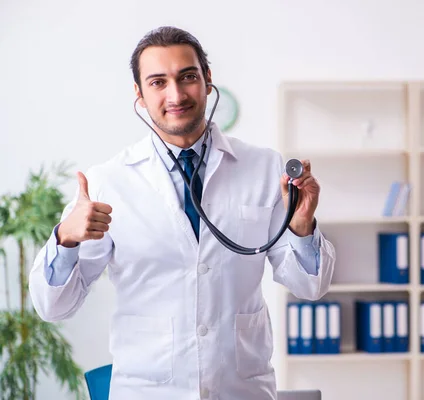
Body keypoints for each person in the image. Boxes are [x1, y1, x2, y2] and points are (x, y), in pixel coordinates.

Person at [28, 26, 336, 400]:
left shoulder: (263, 168)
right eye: (158, 82)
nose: (175, 95)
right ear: (140, 95)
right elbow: (53, 307)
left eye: (187, 77)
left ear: (207, 80)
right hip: (149, 391)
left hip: (241, 389)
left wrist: (302, 228)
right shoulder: (107, 182)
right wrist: (66, 240)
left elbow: (310, 286)